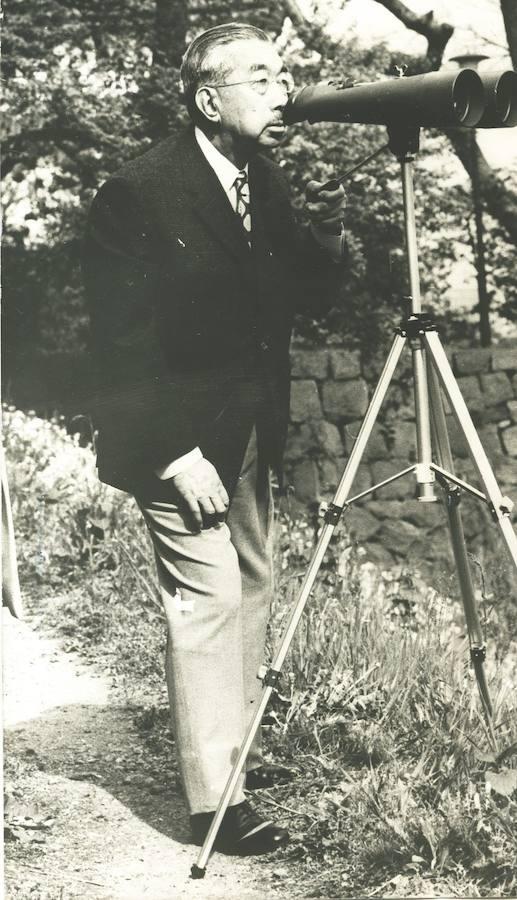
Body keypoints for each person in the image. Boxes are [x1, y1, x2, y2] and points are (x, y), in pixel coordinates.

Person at [83, 22, 347, 856]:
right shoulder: (138, 193)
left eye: (282, 75)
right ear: (207, 99)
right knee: (210, 600)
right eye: (261, 78)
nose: (283, 92)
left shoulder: (261, 178)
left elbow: (301, 293)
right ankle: (214, 806)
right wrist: (175, 455)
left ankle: (240, 763)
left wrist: (331, 233)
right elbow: (120, 346)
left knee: (256, 584)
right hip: (178, 443)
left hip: (247, 431)